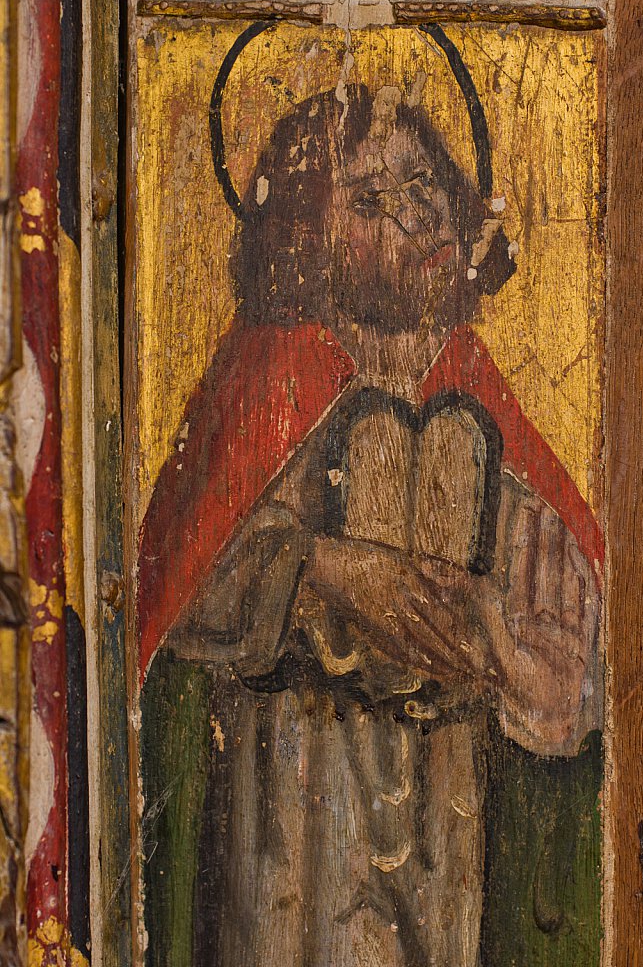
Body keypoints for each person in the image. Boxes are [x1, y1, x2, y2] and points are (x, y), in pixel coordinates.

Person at [137, 84, 602, 967]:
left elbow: (579, 639)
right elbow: (176, 590)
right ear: (306, 234)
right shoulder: (266, 388)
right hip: (292, 804)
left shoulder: (481, 397)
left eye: (425, 179)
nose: (418, 211)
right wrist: (323, 568)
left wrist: (537, 670)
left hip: (447, 818)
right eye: (370, 196)